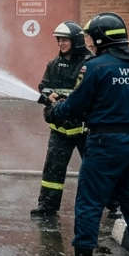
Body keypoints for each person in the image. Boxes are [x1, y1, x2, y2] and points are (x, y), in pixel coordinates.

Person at [45, 12, 129, 256]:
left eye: (90, 38)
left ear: (100, 38)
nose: (89, 43)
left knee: (89, 201)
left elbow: (77, 103)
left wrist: (55, 111)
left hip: (103, 143)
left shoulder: (95, 67)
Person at [32, 21, 97, 218]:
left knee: (96, 168)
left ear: (76, 40)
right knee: (53, 169)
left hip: (84, 129)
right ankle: (47, 206)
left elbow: (90, 93)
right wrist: (48, 94)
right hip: (60, 128)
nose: (60, 43)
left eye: (64, 39)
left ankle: (113, 205)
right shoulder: (53, 64)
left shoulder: (89, 63)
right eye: (58, 39)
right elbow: (43, 86)